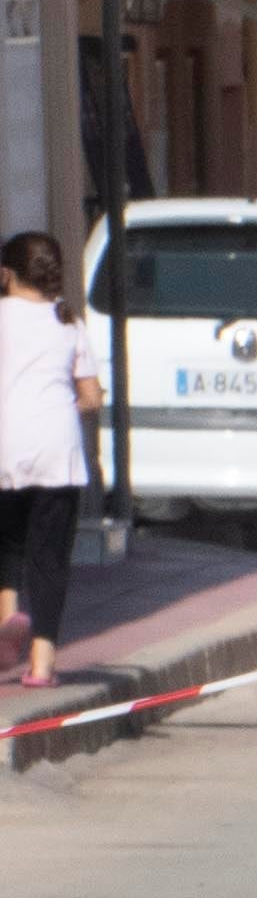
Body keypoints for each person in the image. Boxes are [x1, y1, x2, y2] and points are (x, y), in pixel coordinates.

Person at [0, 226, 94, 685]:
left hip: (4, 444)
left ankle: (7, 614)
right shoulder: (68, 322)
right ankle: (40, 667)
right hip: (58, 450)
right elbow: (92, 396)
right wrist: (63, 407)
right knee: (49, 558)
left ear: (6, 275)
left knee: (7, 542)